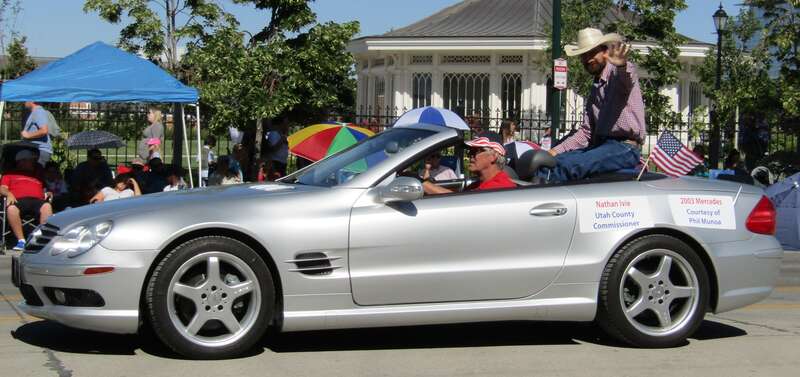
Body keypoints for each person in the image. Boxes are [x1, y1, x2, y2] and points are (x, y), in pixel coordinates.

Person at [541, 28, 645, 182]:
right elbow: (586, 132)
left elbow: (624, 83)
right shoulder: (596, 88)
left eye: (592, 53)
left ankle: (542, 195)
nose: (588, 59)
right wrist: (553, 152)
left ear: (605, 52)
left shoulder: (619, 71)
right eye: (584, 55)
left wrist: (621, 66)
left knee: (569, 166)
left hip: (625, 147)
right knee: (552, 162)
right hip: (601, 146)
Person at [423, 135, 516, 195]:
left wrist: (423, 185)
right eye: (469, 151)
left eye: (476, 151)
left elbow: (459, 203)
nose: (470, 155)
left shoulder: (500, 188)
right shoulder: (478, 184)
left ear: (493, 156)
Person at [0, 150, 53, 251]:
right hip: (18, 200)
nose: (34, 162)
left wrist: (48, 193)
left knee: (47, 206)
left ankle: (43, 239)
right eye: (31, 160)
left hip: (38, 200)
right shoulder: (9, 174)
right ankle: (21, 241)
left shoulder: (36, 175)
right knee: (11, 209)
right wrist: (9, 194)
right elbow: (2, 188)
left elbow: (45, 189)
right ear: (21, 161)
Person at [21, 101, 53, 167]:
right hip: (37, 150)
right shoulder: (35, 112)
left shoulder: (38, 111)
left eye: (26, 99)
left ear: (32, 100)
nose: (24, 101)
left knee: (35, 175)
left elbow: (44, 130)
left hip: (40, 151)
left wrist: (28, 135)